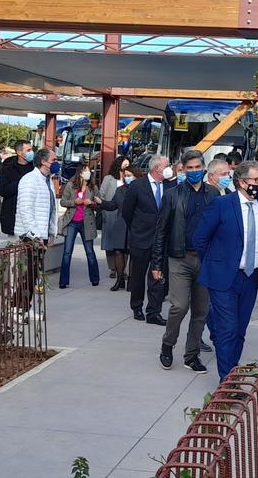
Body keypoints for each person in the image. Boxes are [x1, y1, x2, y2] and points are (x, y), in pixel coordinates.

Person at [193, 160, 258, 379]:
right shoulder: (222, 204)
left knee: (239, 332)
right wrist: (216, 262)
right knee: (228, 330)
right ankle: (226, 381)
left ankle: (232, 371)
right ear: (241, 182)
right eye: (256, 180)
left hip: (251, 277)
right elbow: (200, 238)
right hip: (223, 278)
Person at [153, 150, 218, 374]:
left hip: (205, 260)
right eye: (188, 168)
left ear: (203, 168)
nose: (193, 171)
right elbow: (161, 231)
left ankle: (192, 355)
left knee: (201, 311)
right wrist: (156, 265)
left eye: (197, 167)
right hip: (179, 258)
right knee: (179, 306)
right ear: (183, 169)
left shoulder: (214, 194)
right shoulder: (172, 195)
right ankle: (167, 345)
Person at [121, 154, 175, 323]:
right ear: (157, 168)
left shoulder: (169, 186)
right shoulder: (138, 186)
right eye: (167, 165)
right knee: (138, 275)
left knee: (158, 277)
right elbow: (127, 212)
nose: (169, 168)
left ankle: (153, 311)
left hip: (162, 240)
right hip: (141, 238)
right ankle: (137, 306)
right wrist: (137, 229)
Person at [13, 148, 57, 324]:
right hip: (30, 236)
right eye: (53, 159)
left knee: (33, 274)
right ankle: (16, 309)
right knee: (27, 274)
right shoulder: (29, 180)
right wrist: (34, 235)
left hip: (42, 234)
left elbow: (52, 208)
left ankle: (25, 306)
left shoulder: (47, 181)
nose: (55, 162)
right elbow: (25, 209)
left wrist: (51, 232)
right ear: (44, 162)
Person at [57, 168, 104, 289]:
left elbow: (99, 204)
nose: (88, 173)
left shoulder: (93, 187)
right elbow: (63, 202)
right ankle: (63, 281)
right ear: (80, 173)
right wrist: (74, 202)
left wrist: (92, 203)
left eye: (89, 171)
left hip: (86, 222)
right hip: (72, 221)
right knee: (67, 252)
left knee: (90, 252)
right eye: (85, 171)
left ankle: (95, 278)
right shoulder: (70, 185)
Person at [100, 156, 131, 291]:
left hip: (131, 224)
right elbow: (111, 203)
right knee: (116, 249)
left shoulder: (137, 186)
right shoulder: (116, 187)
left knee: (128, 251)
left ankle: (128, 277)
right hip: (116, 219)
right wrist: (100, 203)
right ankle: (118, 277)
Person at [0, 141, 35, 237]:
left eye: (32, 150)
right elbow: (3, 190)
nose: (32, 152)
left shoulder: (35, 168)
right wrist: (23, 183)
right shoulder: (8, 167)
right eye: (28, 150)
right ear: (19, 152)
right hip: (13, 216)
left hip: (33, 218)